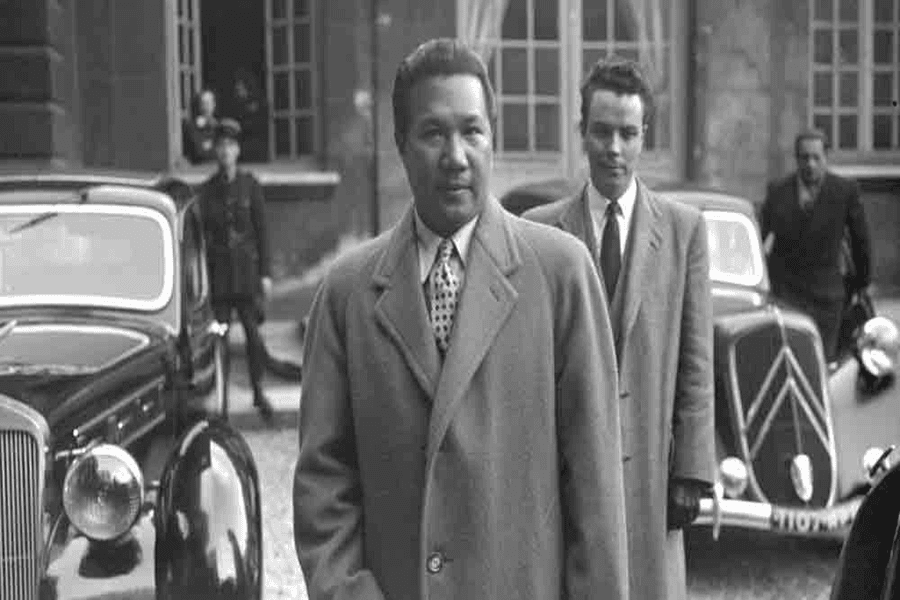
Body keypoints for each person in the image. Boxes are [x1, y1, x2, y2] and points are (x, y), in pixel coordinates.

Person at [293, 38, 629, 600]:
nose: (456, 156)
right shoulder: (346, 293)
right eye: (433, 133)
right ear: (401, 146)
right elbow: (323, 484)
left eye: (472, 131)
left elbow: (596, 489)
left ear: (492, 139)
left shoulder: (561, 274)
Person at [523, 56, 715, 600]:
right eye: (602, 131)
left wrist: (691, 470)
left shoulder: (683, 231)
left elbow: (696, 363)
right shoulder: (540, 232)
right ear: (582, 132)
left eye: (628, 134)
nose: (613, 148)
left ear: (644, 136)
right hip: (566, 472)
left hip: (649, 471)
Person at [760, 128, 871, 362]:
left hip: (827, 298)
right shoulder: (778, 192)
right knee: (787, 360)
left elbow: (861, 242)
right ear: (796, 159)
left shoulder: (844, 192)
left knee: (823, 362)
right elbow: (759, 237)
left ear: (825, 158)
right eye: (804, 157)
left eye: (816, 158)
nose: (810, 164)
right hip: (786, 296)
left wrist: (861, 284)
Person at [198, 118, 275, 421]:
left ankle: (258, 391)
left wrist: (265, 274)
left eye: (230, 146)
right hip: (219, 278)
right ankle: (223, 402)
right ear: (216, 152)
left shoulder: (250, 186)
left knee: (254, 338)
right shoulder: (207, 191)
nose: (225, 151)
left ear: (237, 150)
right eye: (221, 146)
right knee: (221, 343)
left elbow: (263, 232)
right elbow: (202, 239)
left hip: (245, 276)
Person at [224, 68, 268, 162]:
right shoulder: (235, 104)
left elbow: (259, 125)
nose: (238, 89)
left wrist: (238, 126)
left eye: (240, 87)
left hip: (256, 148)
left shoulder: (259, 103)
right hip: (239, 149)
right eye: (237, 88)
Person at [182, 89, 218, 164]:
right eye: (203, 103)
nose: (206, 107)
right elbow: (199, 151)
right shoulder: (191, 127)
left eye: (209, 103)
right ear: (199, 105)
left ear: (214, 104)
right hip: (199, 167)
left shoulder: (219, 125)